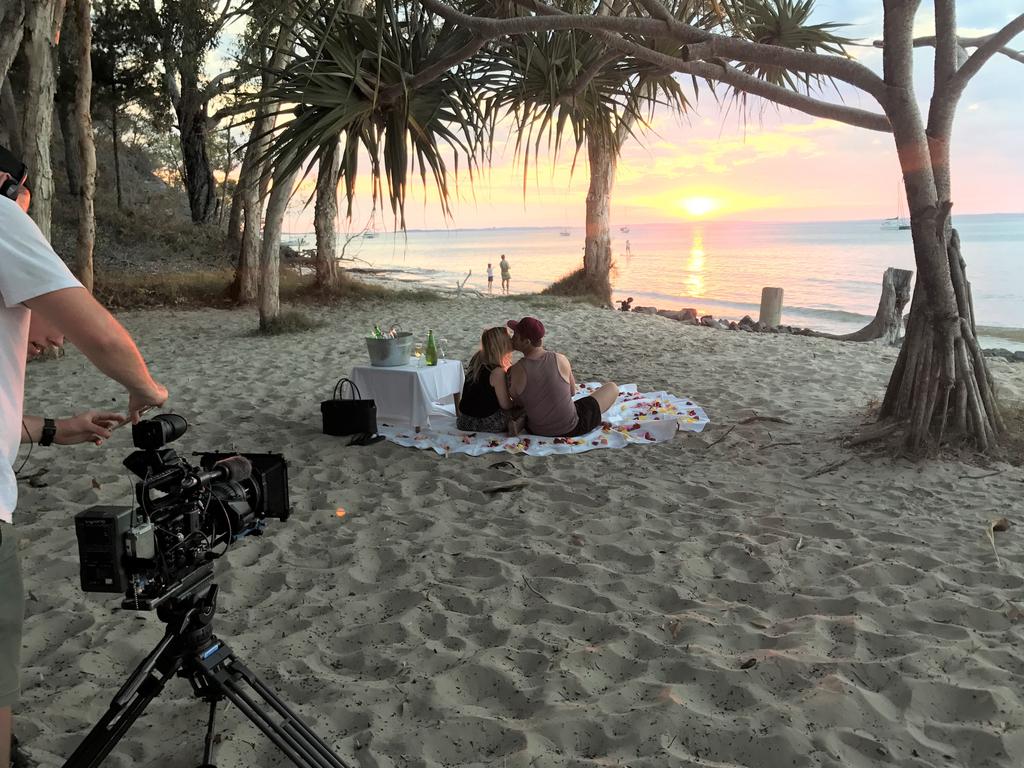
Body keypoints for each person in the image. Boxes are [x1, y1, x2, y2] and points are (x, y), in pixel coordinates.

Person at [0, 160, 168, 768]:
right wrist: (148, 392)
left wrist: (52, 430)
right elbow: (102, 336)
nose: (53, 341)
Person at [506, 316, 618, 438]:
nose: (512, 339)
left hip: (537, 429)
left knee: (532, 403)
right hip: (572, 427)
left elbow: (518, 402)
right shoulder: (560, 359)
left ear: (526, 342)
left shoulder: (515, 370)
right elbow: (572, 392)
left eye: (515, 336)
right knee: (612, 387)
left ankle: (522, 422)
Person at [456, 327, 515, 433]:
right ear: (501, 344)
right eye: (509, 338)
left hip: (463, 421)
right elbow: (505, 405)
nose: (512, 340)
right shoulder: (497, 372)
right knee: (523, 412)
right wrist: (518, 402)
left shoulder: (477, 358)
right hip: (486, 423)